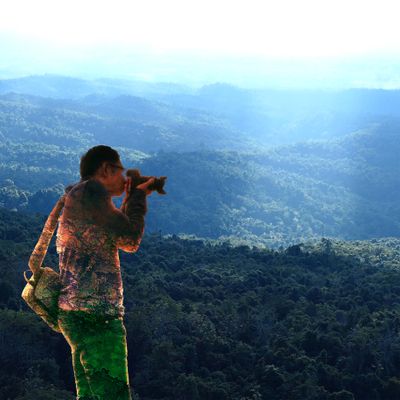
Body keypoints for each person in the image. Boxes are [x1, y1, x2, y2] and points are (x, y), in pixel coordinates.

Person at [56, 145, 154, 400]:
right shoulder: (93, 197)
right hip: (97, 316)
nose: (123, 180)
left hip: (72, 312)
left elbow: (107, 231)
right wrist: (137, 198)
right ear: (105, 170)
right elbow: (130, 240)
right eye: (119, 172)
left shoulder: (77, 196)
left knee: (89, 395)